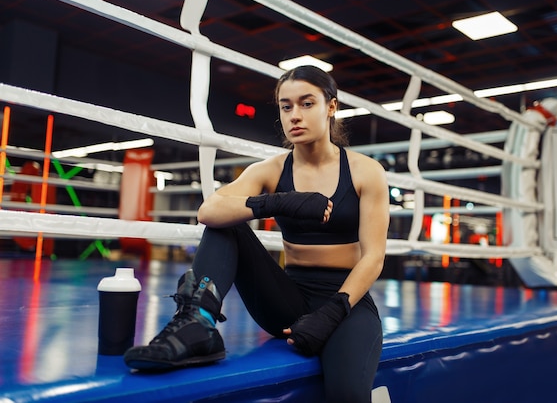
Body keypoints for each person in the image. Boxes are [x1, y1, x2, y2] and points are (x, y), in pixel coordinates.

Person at [124, 65, 390, 402]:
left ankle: (334, 318)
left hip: (345, 301)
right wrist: (280, 201)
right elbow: (209, 211)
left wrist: (332, 313)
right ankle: (197, 324)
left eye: (307, 104)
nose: (295, 115)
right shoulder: (271, 170)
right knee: (226, 222)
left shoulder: (366, 172)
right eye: (286, 106)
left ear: (331, 107)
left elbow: (374, 257)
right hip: (287, 298)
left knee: (348, 395)